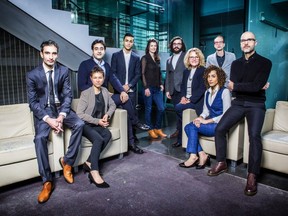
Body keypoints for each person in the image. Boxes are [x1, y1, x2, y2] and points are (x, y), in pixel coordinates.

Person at [207, 32, 272, 196]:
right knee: (220, 129)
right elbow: (234, 86)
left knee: (254, 136)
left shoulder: (265, 63)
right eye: (243, 40)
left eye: (249, 40)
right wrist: (250, 86)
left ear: (255, 42)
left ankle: (252, 175)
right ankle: (221, 162)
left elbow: (252, 87)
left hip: (256, 104)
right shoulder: (235, 64)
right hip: (238, 103)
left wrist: (240, 86)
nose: (246, 43)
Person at [26, 40, 84, 203]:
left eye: (54, 53)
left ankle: (67, 162)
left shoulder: (64, 71)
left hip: (61, 108)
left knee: (80, 124)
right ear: (41, 54)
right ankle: (47, 182)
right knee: (39, 138)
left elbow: (68, 96)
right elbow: (33, 102)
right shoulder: (32, 75)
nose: (51, 57)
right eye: (48, 53)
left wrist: (62, 115)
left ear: (57, 54)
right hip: (44, 111)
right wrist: (49, 120)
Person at [78, 39, 148, 154]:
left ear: (104, 51)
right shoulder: (85, 64)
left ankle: (131, 142)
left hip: (106, 100)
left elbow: (114, 79)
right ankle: (135, 122)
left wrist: (122, 91)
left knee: (125, 99)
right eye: (96, 49)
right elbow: (81, 85)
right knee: (125, 104)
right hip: (94, 100)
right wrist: (101, 91)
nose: (99, 51)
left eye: (101, 49)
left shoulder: (106, 65)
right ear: (92, 51)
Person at [179, 65, 231, 169]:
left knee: (191, 127)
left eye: (213, 76)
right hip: (210, 123)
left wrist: (207, 121)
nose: (210, 79)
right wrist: (201, 118)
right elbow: (206, 111)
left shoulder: (225, 92)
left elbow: (227, 114)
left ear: (219, 77)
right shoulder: (207, 92)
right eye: (208, 77)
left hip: (219, 125)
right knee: (188, 126)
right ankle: (202, 155)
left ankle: (193, 156)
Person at [77, 65, 116, 188]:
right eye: (95, 78)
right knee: (98, 139)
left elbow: (113, 105)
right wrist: (97, 121)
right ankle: (94, 171)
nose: (98, 80)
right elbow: (80, 114)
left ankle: (88, 162)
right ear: (91, 78)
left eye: (100, 77)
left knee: (107, 134)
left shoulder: (104, 91)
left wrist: (107, 115)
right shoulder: (85, 93)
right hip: (86, 125)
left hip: (99, 123)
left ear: (103, 78)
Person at [111, 33, 148, 145]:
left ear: (133, 43)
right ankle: (125, 138)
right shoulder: (116, 55)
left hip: (131, 90)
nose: (129, 43)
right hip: (118, 90)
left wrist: (129, 85)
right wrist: (121, 87)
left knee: (133, 112)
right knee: (123, 115)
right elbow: (113, 73)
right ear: (123, 41)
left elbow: (137, 74)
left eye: (131, 41)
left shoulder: (136, 58)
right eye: (127, 40)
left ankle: (133, 138)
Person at [172, 48, 206, 147]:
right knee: (180, 114)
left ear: (200, 58)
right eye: (191, 57)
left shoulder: (203, 70)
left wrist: (190, 99)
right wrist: (183, 97)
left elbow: (202, 88)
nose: (194, 59)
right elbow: (183, 86)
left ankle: (181, 138)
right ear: (188, 59)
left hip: (197, 101)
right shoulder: (186, 71)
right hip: (186, 99)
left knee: (178, 108)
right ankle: (181, 140)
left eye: (196, 57)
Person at [141, 38, 167, 139]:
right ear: (148, 47)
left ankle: (158, 128)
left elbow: (159, 73)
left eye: (155, 46)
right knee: (148, 109)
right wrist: (146, 87)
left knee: (161, 108)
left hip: (157, 88)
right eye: (151, 45)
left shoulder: (157, 58)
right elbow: (142, 74)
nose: (153, 47)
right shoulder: (144, 58)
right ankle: (150, 129)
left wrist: (161, 83)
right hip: (148, 88)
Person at [165, 36, 187, 138]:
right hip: (173, 90)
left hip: (183, 90)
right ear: (171, 46)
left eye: (178, 44)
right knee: (177, 113)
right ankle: (179, 131)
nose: (176, 45)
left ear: (182, 45)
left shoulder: (186, 57)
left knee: (183, 113)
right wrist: (167, 90)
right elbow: (168, 76)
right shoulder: (169, 59)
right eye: (174, 44)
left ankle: (183, 133)